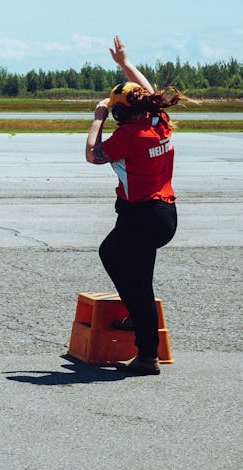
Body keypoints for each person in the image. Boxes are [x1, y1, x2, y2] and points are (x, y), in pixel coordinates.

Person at [85, 36, 189, 376]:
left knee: (112, 255)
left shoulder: (130, 135)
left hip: (142, 216)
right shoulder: (157, 120)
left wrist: (98, 117)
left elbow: (91, 155)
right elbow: (147, 90)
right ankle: (140, 322)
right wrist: (125, 64)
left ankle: (147, 353)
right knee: (139, 272)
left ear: (121, 112)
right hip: (163, 214)